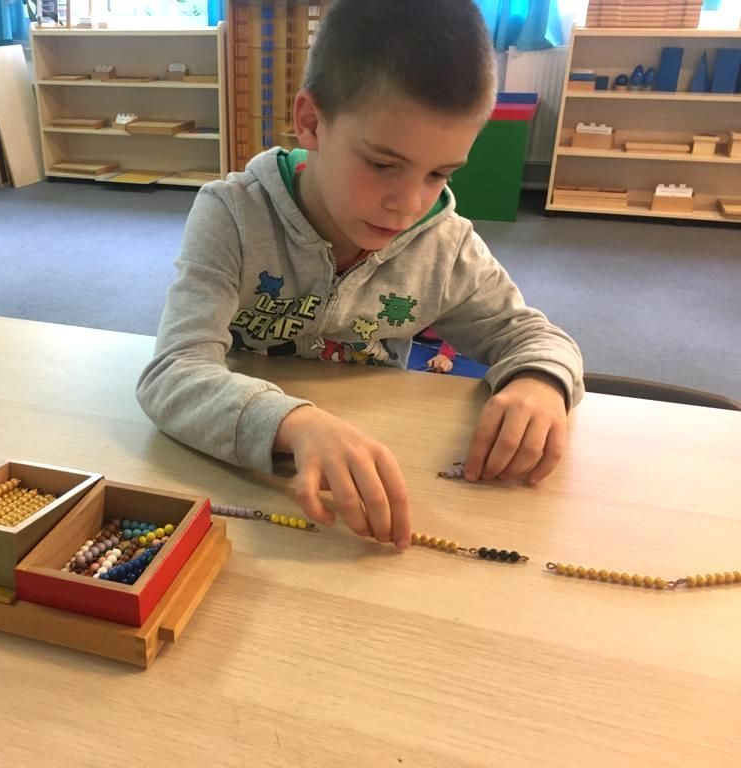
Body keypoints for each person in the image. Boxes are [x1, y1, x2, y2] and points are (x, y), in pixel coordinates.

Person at [137, 0, 584, 549]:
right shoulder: (233, 216)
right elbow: (173, 372)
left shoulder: (444, 245)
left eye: (439, 173)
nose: (408, 204)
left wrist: (540, 382)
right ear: (311, 122)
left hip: (369, 496)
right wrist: (296, 425)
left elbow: (534, 336)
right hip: (246, 487)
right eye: (381, 164)